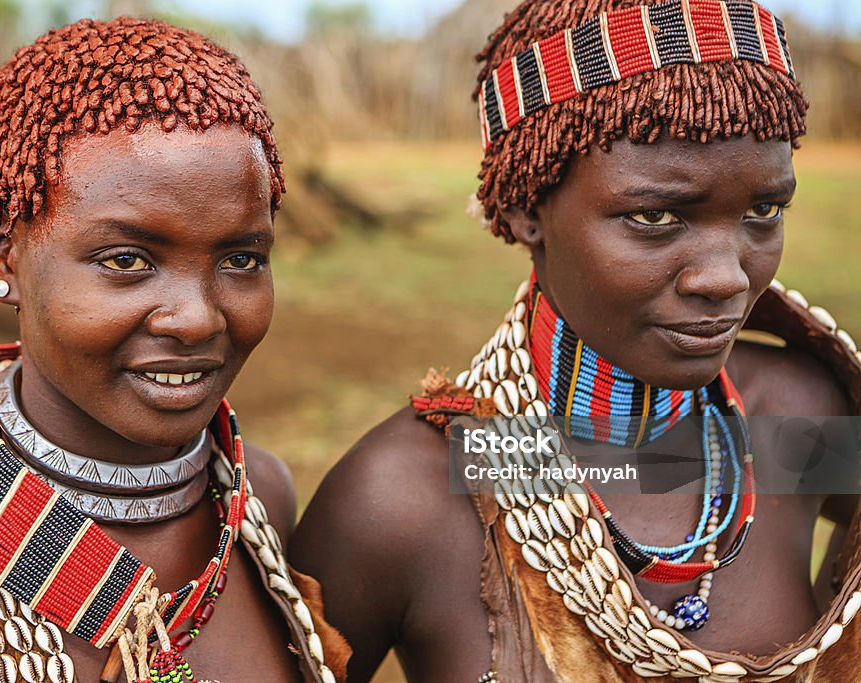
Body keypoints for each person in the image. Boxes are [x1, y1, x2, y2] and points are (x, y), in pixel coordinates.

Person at [290, 0, 861, 680]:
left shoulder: (794, 421)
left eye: (763, 210)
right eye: (655, 215)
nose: (726, 276)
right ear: (526, 208)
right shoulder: (413, 496)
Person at [0, 17, 348, 683]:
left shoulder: (257, 503)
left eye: (241, 257)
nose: (196, 318)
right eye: (128, 258)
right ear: (6, 255)